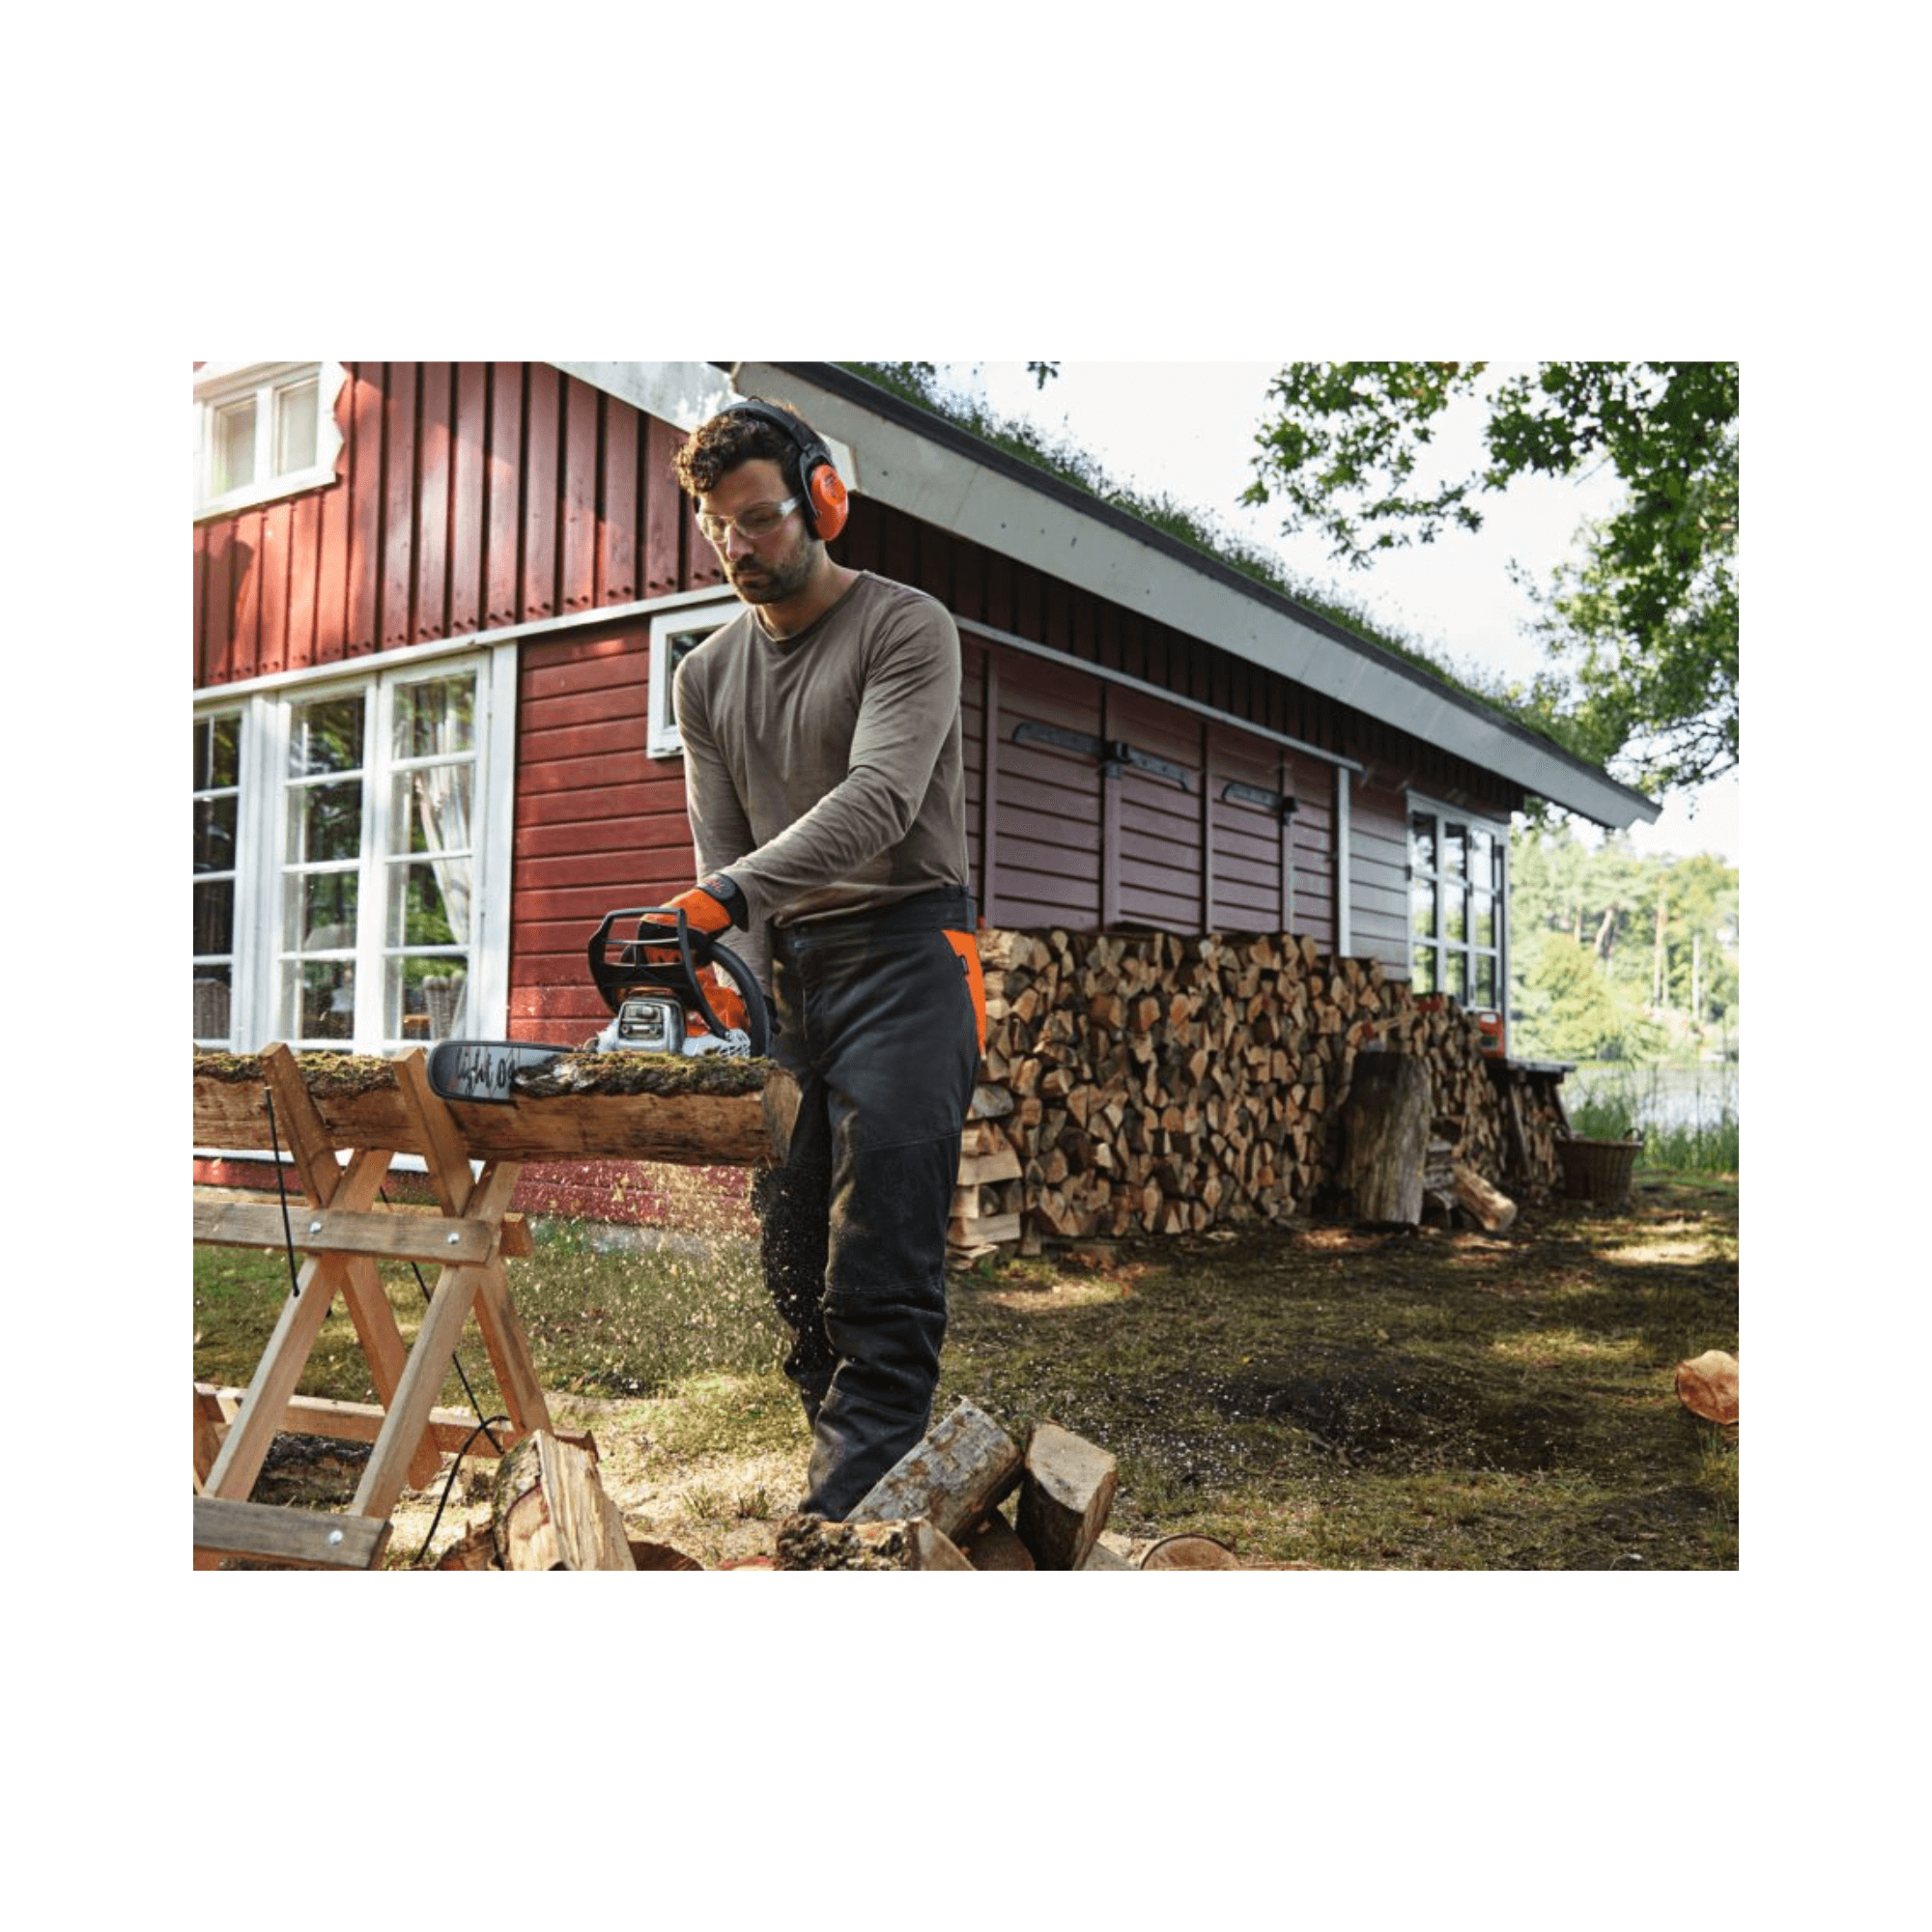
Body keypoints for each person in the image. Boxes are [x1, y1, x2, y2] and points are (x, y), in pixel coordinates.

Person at [660, 398, 984, 1520]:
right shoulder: (703, 677)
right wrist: (725, 969)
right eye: (719, 531)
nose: (738, 549)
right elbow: (721, 855)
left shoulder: (907, 627)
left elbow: (880, 801)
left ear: (824, 499)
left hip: (908, 953)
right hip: (790, 971)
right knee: (793, 1266)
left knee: (878, 1265)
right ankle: (871, 1488)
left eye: (757, 521)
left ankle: (838, 1526)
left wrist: (726, 896)